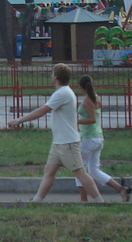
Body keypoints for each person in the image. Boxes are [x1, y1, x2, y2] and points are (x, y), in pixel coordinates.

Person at [7, 63, 103, 203]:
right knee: (49, 172)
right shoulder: (64, 92)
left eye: (52, 73)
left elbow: (42, 111)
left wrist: (19, 120)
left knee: (80, 173)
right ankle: (36, 202)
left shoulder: (62, 93)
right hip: (59, 142)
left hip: (67, 142)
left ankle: (100, 202)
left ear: (56, 77)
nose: (51, 76)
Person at [75, 75, 131, 202]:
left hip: (88, 138)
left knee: (79, 169)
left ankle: (83, 200)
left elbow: (92, 119)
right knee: (94, 170)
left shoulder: (87, 100)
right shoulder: (96, 97)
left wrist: (76, 122)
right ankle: (121, 189)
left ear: (80, 87)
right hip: (98, 137)